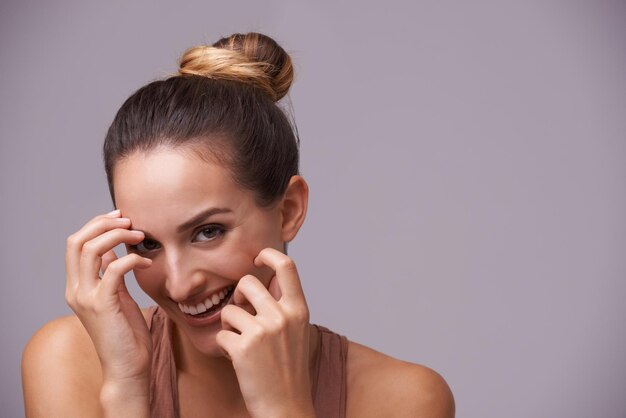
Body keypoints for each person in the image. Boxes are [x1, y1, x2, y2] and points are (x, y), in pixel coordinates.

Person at [21, 32, 454, 418]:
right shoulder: (67, 361)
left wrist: (283, 408)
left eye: (207, 232)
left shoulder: (405, 400)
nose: (179, 284)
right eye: (147, 244)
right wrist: (127, 389)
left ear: (288, 210)